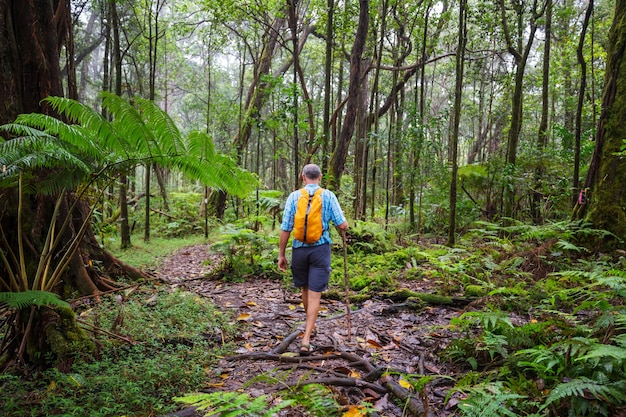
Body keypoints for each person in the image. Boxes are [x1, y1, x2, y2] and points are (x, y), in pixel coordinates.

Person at [278, 164, 348, 355]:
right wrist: (345, 226)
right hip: (320, 249)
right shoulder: (328, 195)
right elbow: (342, 224)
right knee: (316, 293)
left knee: (305, 289)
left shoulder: (294, 197)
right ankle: (307, 339)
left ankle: (310, 326)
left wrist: (282, 254)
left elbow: (286, 228)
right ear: (320, 177)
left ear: (303, 177)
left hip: (299, 249)